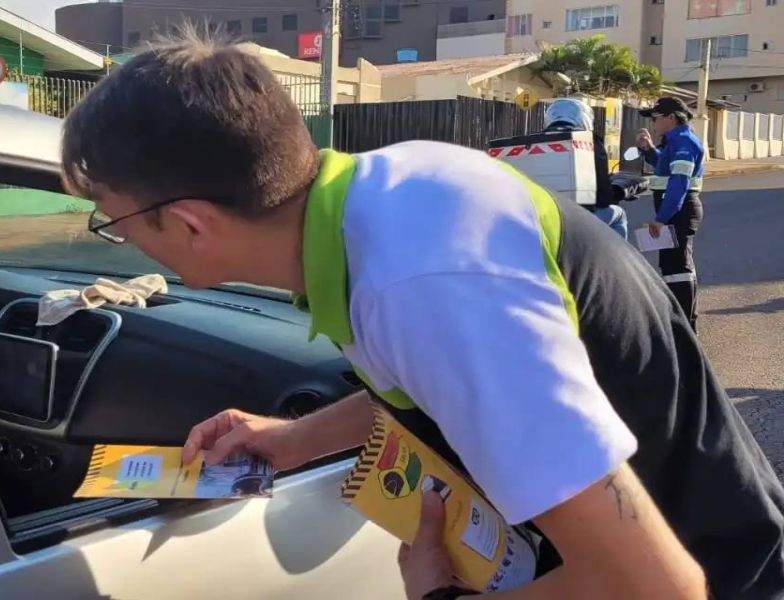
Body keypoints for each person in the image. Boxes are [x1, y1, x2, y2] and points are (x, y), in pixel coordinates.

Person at [61, 31, 784, 600]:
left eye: (114, 223)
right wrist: (292, 439)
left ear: (189, 223)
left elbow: (657, 588)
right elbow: (443, 380)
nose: (119, 241)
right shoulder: (381, 208)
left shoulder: (424, 283)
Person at [636, 97, 706, 331]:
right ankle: (684, 323)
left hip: (680, 210)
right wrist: (649, 150)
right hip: (678, 210)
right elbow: (664, 167)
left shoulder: (683, 142)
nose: (653, 124)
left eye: (655, 119)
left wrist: (661, 219)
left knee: (676, 269)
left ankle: (684, 326)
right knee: (677, 265)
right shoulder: (675, 141)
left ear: (671, 118)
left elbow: (678, 183)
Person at [542, 97, 628, 239]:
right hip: (580, 217)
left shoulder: (531, 144)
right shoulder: (589, 143)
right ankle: (617, 261)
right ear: (584, 118)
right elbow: (603, 198)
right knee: (619, 214)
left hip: (539, 217)